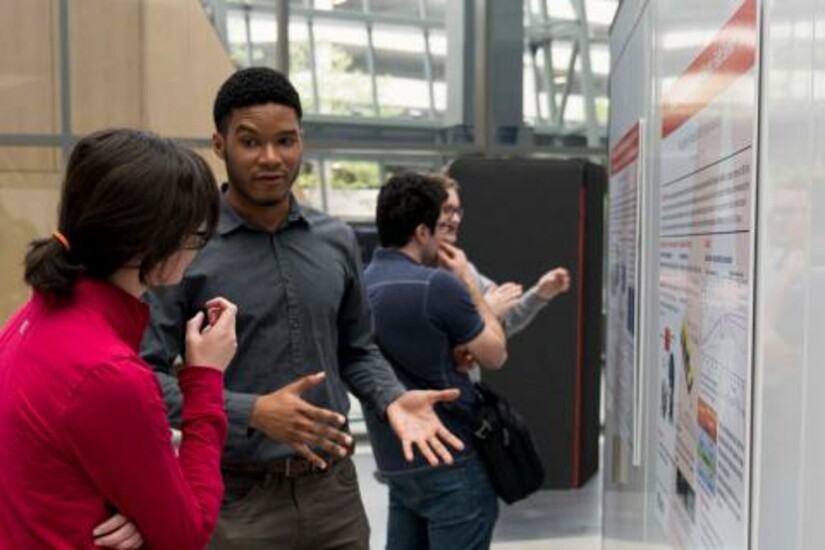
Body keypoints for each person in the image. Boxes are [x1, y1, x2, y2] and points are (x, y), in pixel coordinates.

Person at [141, 67, 464, 549]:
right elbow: (144, 378)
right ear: (219, 144)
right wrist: (252, 411)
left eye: (286, 141)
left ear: (301, 142)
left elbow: (356, 349)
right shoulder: (186, 246)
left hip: (332, 495)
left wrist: (392, 396)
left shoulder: (334, 240)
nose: (271, 158)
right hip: (233, 500)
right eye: (250, 142)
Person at [0, 128, 238, 549]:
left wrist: (139, 505)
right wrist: (205, 378)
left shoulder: (30, 320)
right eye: (196, 235)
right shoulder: (108, 372)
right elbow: (187, 533)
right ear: (155, 242)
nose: (199, 247)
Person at [364, 173, 507, 550]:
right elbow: (495, 353)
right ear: (423, 232)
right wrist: (469, 284)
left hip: (396, 463)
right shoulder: (436, 285)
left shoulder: (359, 286)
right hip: (451, 460)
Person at [434, 174, 570, 339]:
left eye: (457, 211)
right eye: (447, 210)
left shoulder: (464, 267)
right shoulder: (413, 271)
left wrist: (539, 294)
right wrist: (485, 313)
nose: (455, 219)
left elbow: (505, 321)